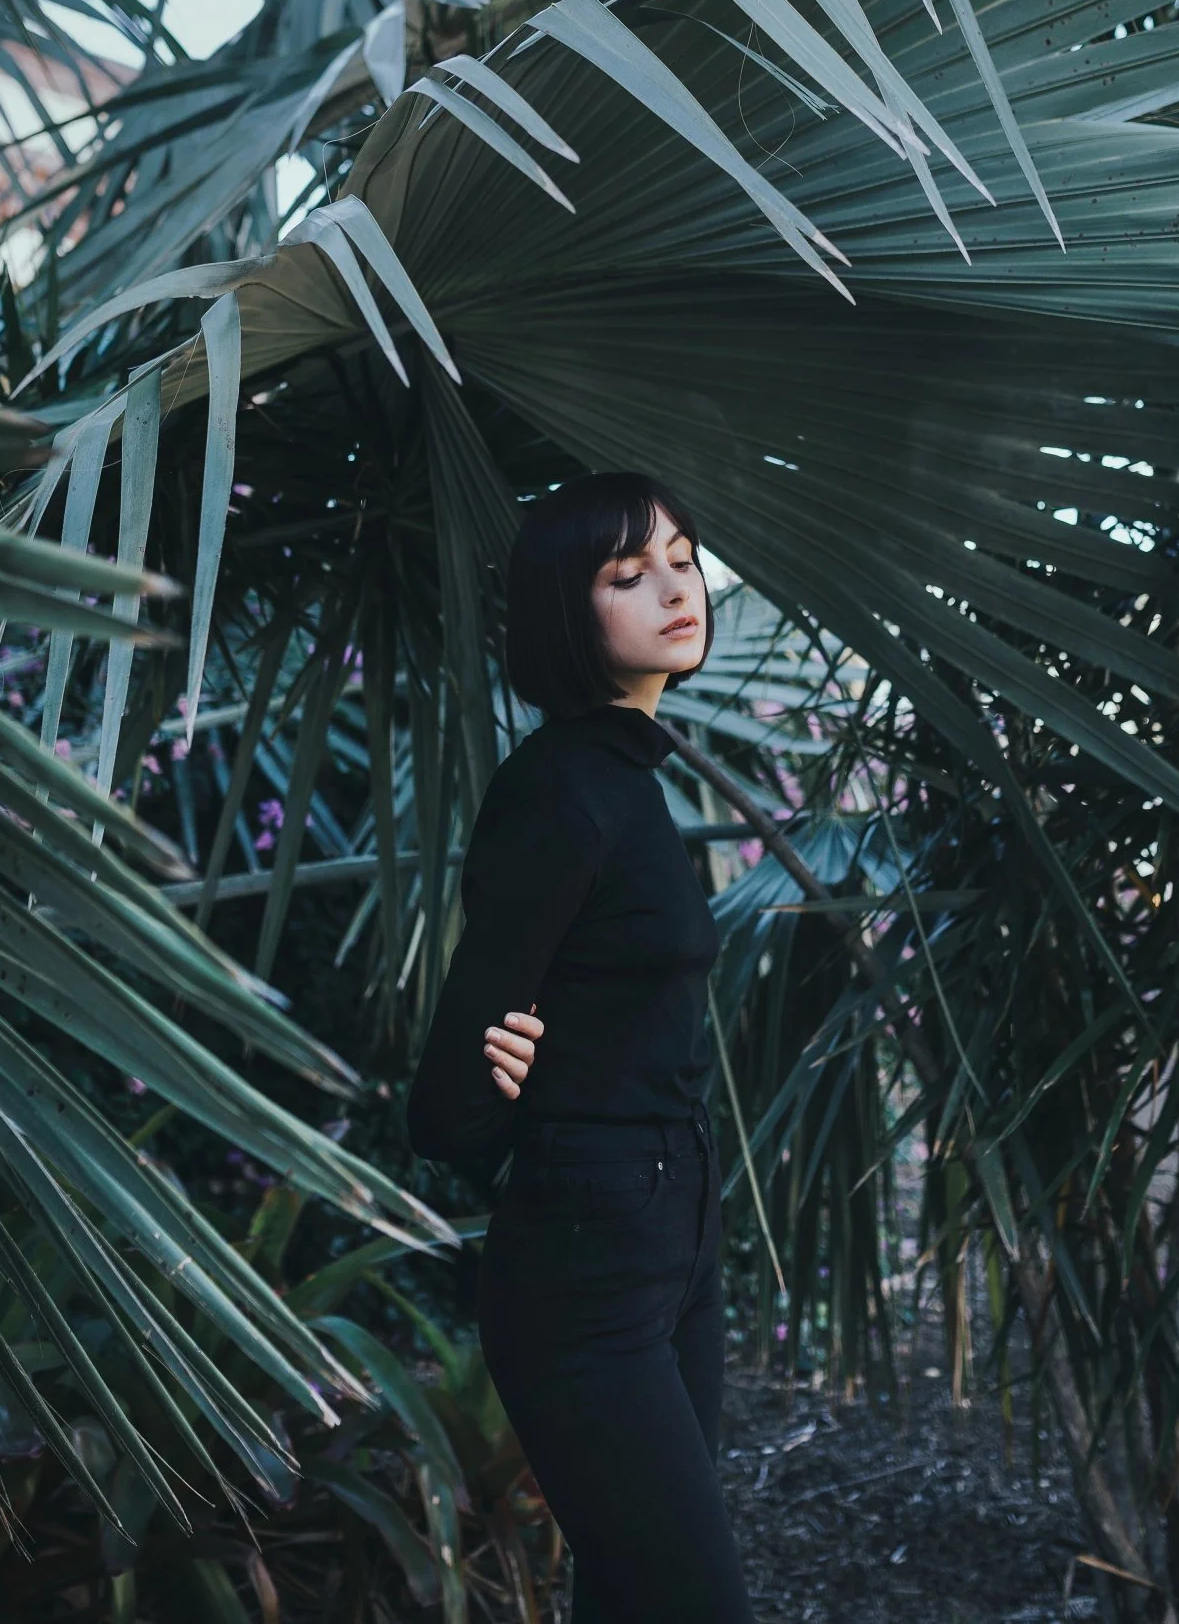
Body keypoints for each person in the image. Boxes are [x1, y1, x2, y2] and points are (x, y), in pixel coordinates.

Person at [406, 471, 755, 1624]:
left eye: (682, 556)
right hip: (590, 1245)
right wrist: (537, 1141)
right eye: (627, 573)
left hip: (673, 1225)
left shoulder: (627, 780)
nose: (675, 586)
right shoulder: (560, 791)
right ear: (570, 611)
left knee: (635, 1595)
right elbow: (453, 1088)